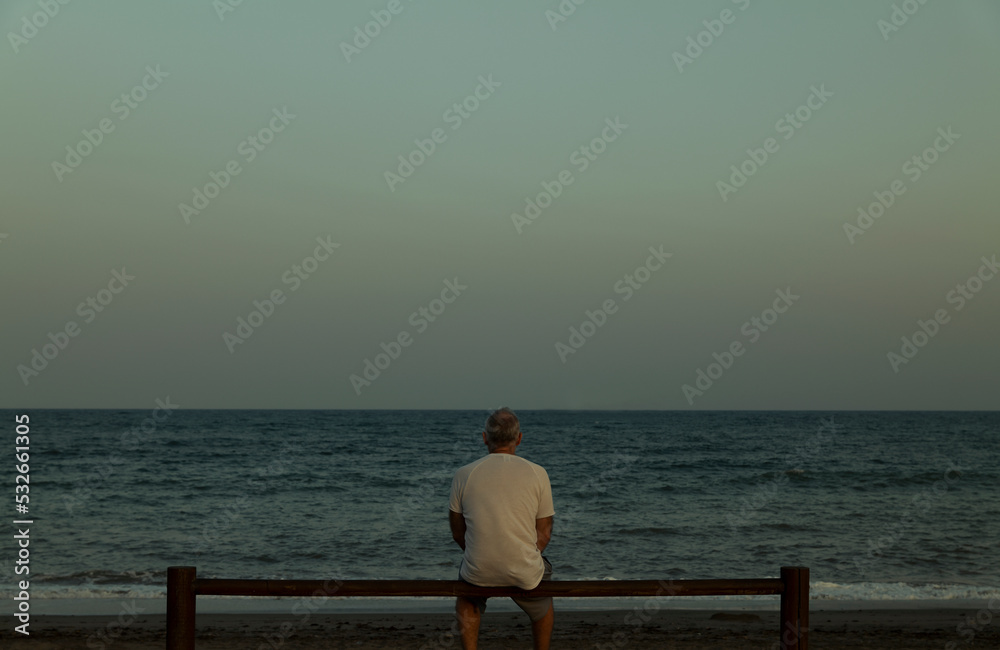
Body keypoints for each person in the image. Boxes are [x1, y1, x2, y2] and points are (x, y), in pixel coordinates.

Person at [449, 407, 555, 650]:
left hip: (478, 570)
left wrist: (482, 550)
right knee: (544, 603)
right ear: (519, 438)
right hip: (524, 571)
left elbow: (457, 531)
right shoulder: (538, 473)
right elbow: (545, 533)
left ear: (485, 438)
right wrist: (523, 553)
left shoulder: (464, 474)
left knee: (467, 598)